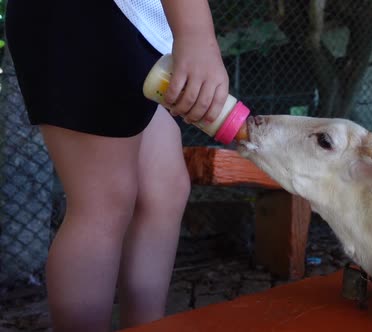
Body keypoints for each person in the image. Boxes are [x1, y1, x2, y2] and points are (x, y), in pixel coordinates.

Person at [5, 0, 229, 331]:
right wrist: (196, 34)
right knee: (102, 204)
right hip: (92, 14)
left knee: (163, 190)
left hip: (136, 21)